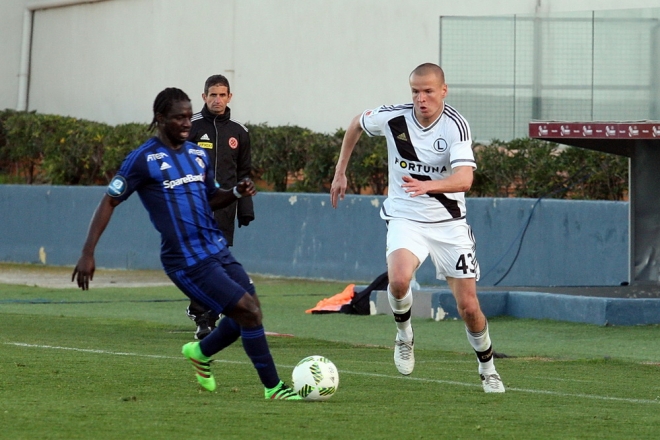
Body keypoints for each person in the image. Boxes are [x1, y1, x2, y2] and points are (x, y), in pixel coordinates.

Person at [71, 87, 300, 400]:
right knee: (249, 312)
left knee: (249, 312)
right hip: (186, 259)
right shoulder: (143, 159)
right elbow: (109, 201)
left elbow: (211, 197)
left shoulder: (196, 154)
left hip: (215, 247)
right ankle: (274, 388)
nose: (185, 123)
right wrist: (87, 252)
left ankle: (200, 352)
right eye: (178, 117)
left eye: (187, 116)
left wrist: (235, 192)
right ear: (160, 118)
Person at [330, 63, 505, 393]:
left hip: (449, 224)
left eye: (427, 91)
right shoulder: (394, 118)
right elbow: (355, 124)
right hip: (405, 216)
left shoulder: (455, 126)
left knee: (468, 307)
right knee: (398, 280)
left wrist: (429, 185)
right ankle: (404, 335)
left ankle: (488, 367)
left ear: (443, 90)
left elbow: (465, 179)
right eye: (415, 91)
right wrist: (341, 172)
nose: (421, 98)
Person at [185, 74, 255, 340]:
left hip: (225, 211)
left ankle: (202, 312)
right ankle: (204, 317)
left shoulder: (239, 132)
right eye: (212, 95)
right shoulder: (189, 127)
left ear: (229, 97)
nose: (217, 99)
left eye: (222, 95)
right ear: (203, 97)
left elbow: (244, 173)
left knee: (216, 264)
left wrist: (245, 209)